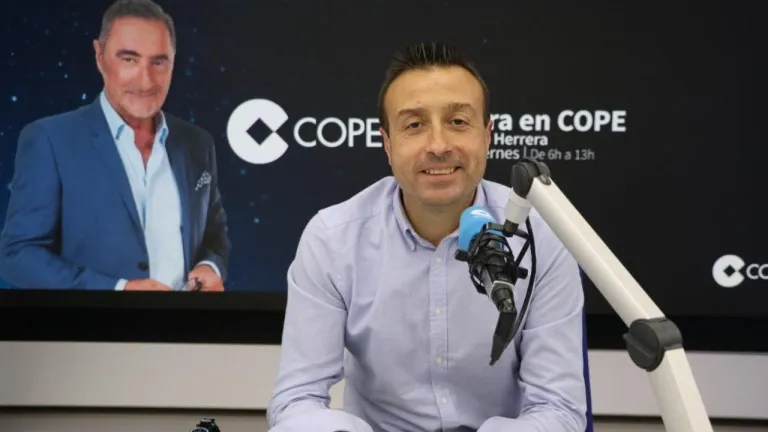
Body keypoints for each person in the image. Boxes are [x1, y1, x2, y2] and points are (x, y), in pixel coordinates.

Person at [267, 42, 587, 431]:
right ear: (387, 144)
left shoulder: (540, 236)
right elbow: (297, 401)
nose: (438, 146)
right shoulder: (332, 240)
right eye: (414, 125)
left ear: (488, 136)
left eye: (458, 122)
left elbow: (559, 409)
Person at [0, 0, 230, 291]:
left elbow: (215, 236)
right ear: (99, 56)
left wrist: (211, 266)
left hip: (186, 320)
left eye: (159, 62)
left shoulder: (198, 142)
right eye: (129, 59)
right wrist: (119, 290)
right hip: (96, 320)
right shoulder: (50, 140)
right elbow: (17, 256)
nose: (146, 81)